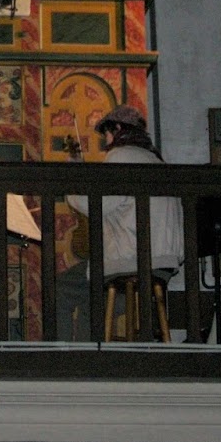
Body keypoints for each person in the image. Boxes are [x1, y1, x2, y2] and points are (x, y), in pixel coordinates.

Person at [55, 104, 183, 341]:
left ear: (117, 129)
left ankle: (61, 358)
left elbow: (96, 204)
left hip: (132, 260)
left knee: (59, 288)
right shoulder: (154, 159)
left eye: (107, 133)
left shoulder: (122, 156)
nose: (106, 140)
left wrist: (71, 184)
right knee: (90, 305)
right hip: (163, 264)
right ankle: (89, 358)